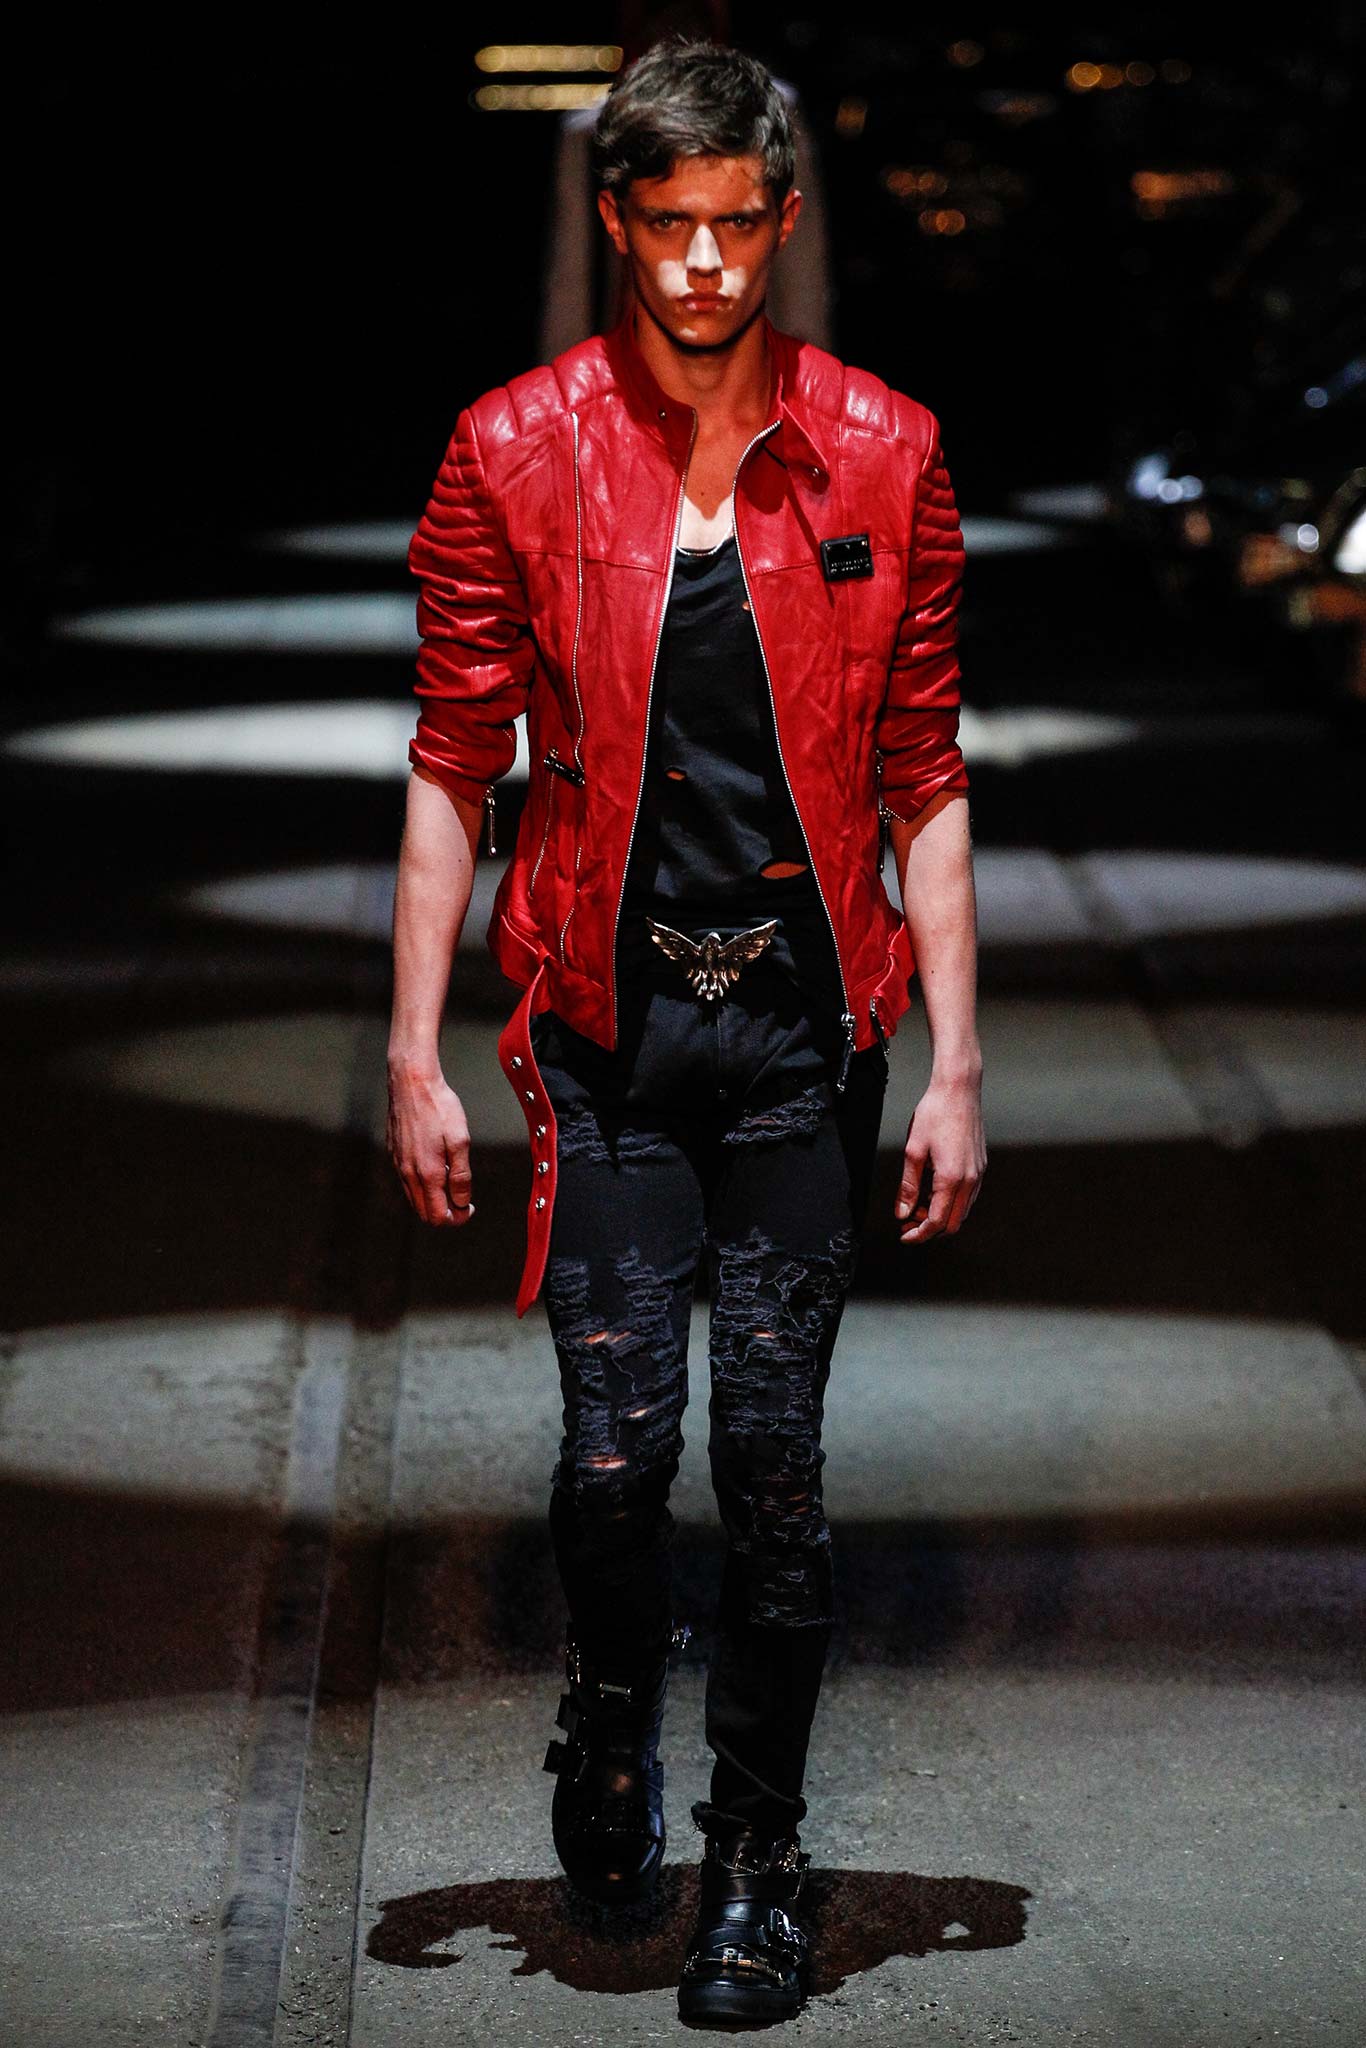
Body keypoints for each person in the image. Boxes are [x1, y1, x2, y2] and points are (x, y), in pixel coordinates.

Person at [387, 36, 986, 2026]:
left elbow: (923, 773)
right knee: (613, 1460)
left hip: (806, 1034)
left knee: (777, 1470)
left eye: (738, 224)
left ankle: (753, 1861)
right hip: (607, 1031)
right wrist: (409, 1047)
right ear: (619, 222)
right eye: (672, 226)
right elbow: (454, 761)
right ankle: (608, 1703)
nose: (707, 263)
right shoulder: (513, 450)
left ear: (781, 220)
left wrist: (961, 1062)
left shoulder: (885, 451)